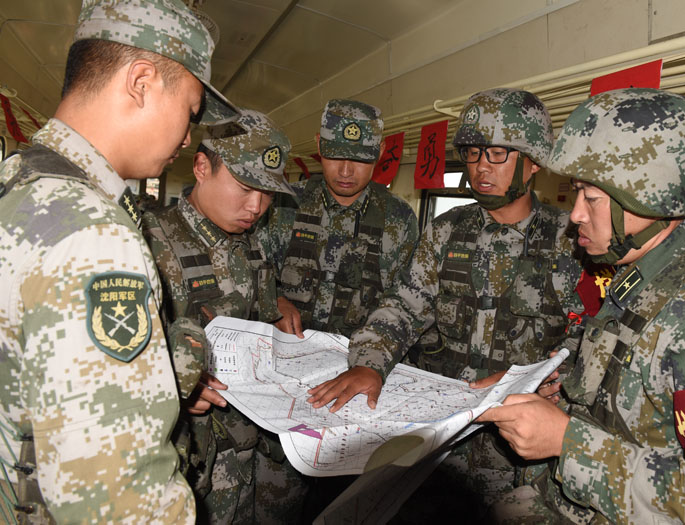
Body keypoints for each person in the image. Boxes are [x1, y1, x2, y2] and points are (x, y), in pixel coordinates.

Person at [478, 88, 685, 523]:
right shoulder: (641, 280)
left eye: (592, 197)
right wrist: (557, 392)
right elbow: (636, 401)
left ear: (647, 197)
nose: (575, 216)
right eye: (576, 194)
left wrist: (568, 442)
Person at [0, 0, 238, 522]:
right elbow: (118, 500)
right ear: (141, 81)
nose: (185, 135)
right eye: (191, 111)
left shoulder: (20, 178)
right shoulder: (93, 233)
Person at [307, 88, 584, 519]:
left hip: (521, 448)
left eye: (497, 154)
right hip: (442, 438)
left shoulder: (573, 239)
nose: (481, 168)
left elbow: (589, 337)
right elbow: (403, 305)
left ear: (532, 162)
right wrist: (369, 361)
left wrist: (549, 379)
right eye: (473, 154)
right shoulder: (445, 230)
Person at [142, 109, 307, 524]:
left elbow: (258, 314)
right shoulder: (148, 241)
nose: (256, 206)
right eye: (246, 187)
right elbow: (117, 363)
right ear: (201, 168)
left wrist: (278, 316)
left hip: (246, 445)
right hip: (186, 454)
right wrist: (174, 389)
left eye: (268, 193)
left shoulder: (249, 245)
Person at [260, 98, 419, 341]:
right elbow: (252, 268)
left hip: (358, 357)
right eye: (336, 156)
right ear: (320, 145)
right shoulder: (283, 204)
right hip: (285, 346)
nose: (345, 171)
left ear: (381, 151)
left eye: (359, 159)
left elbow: (408, 299)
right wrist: (274, 300)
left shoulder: (399, 219)